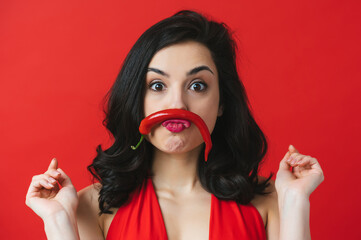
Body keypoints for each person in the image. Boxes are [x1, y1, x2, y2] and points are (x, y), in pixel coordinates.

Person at [25, 10, 324, 240]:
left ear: (222, 103)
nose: (177, 105)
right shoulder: (93, 205)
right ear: (136, 99)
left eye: (197, 86)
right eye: (157, 86)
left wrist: (296, 201)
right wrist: (57, 221)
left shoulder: (269, 200)